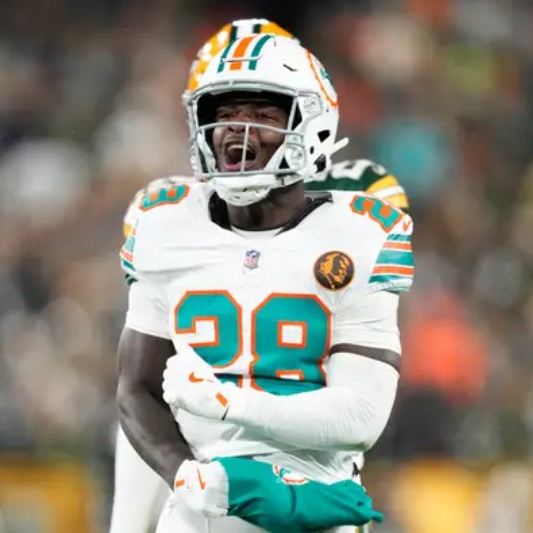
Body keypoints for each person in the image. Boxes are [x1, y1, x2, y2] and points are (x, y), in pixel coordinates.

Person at [111, 19, 410, 533]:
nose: (238, 129)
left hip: (310, 499)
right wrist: (183, 478)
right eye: (225, 113)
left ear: (312, 122)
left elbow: (361, 416)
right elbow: (137, 391)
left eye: (262, 113)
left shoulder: (365, 222)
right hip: (199, 503)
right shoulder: (162, 222)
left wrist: (229, 404)